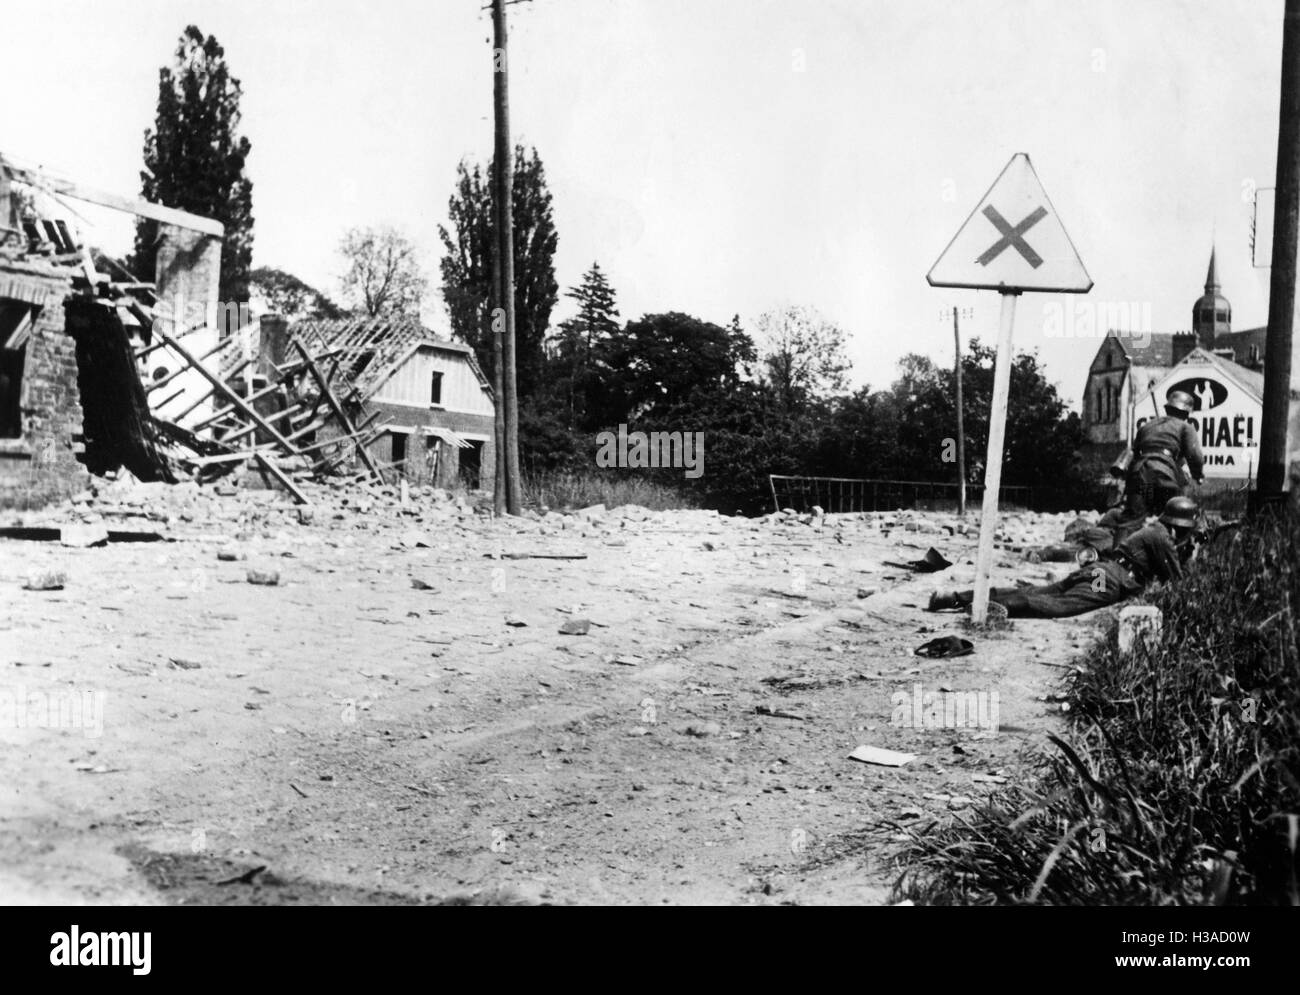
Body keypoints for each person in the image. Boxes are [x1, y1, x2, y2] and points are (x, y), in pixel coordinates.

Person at [928, 497, 1198, 619]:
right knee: (1057, 606)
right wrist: (1191, 553)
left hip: (1100, 572)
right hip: (1107, 581)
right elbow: (1176, 581)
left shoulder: (1155, 530)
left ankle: (954, 597)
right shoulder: (1162, 537)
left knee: (1039, 590)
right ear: (1181, 527)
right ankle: (996, 608)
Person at [1124, 390, 1204, 517]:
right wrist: (1198, 475)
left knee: (1135, 518)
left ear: (1168, 408)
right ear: (1186, 413)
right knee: (1170, 516)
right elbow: (1194, 456)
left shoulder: (1147, 426)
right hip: (1163, 477)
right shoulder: (1185, 427)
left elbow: (1134, 454)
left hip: (1141, 474)